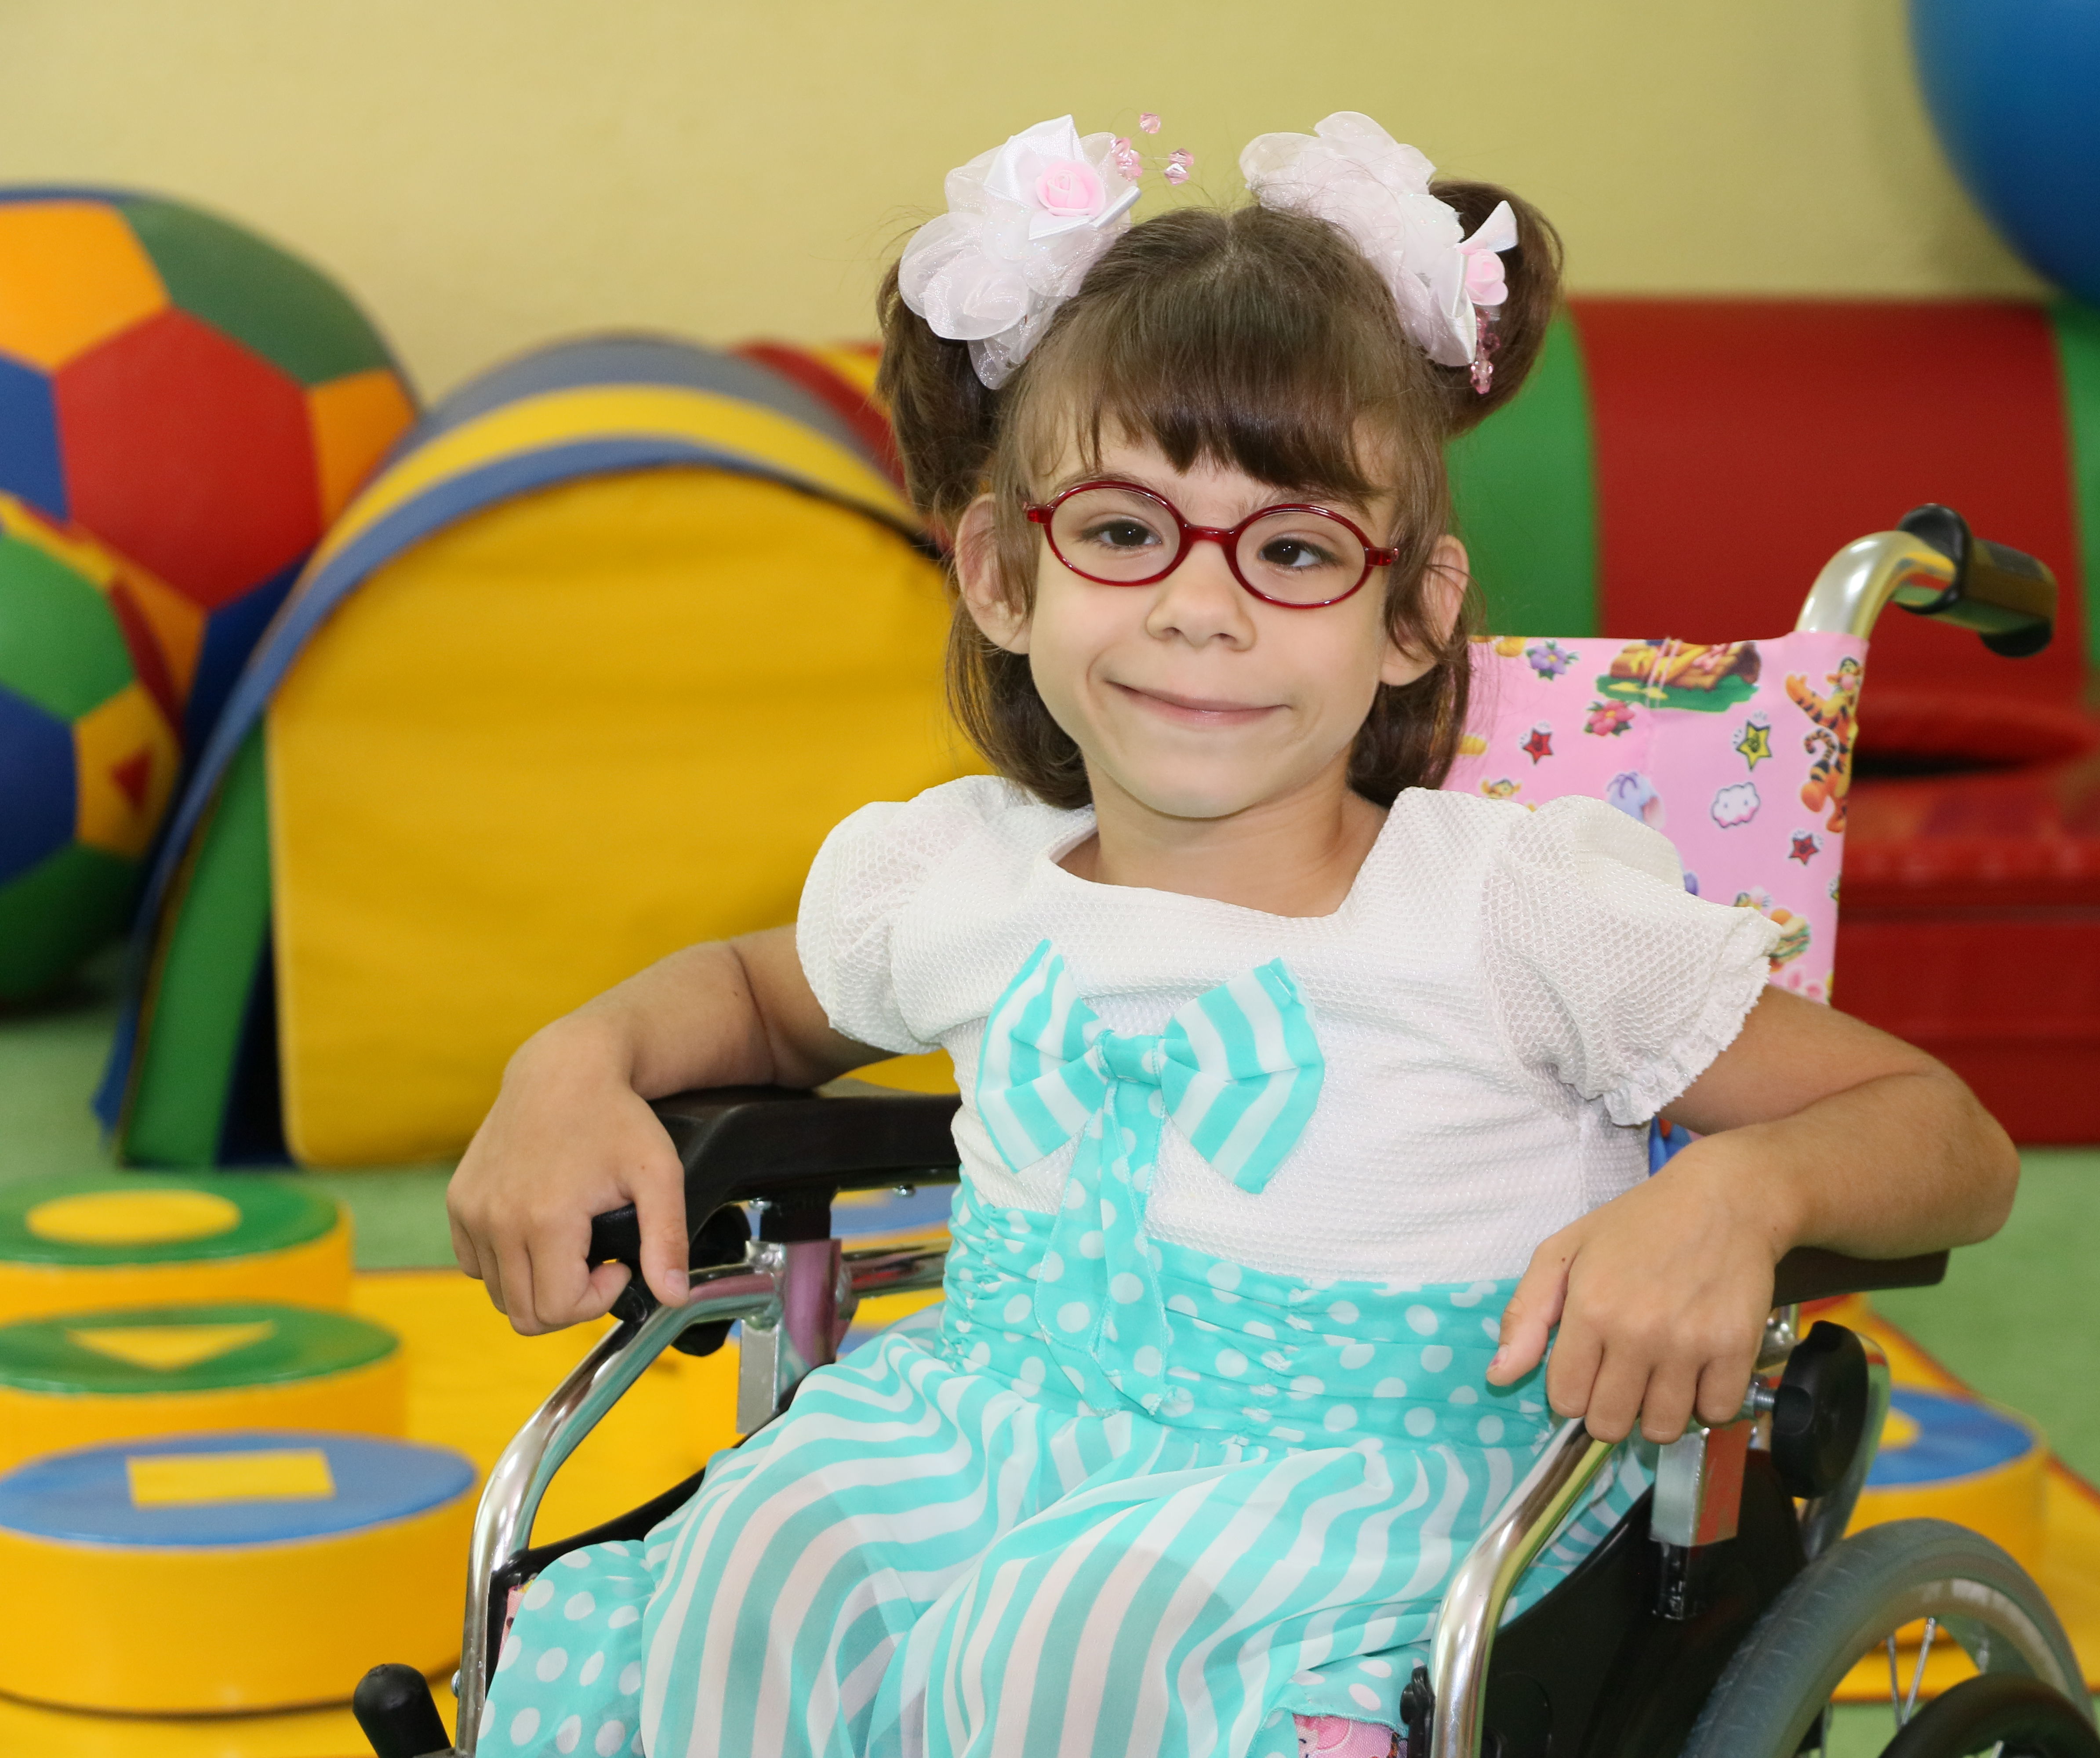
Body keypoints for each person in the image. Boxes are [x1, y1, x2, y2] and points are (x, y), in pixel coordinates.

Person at [448, 111, 2018, 1758]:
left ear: (1413, 617)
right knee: (763, 1565)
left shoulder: (1510, 906)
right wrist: (576, 1063)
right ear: (1001, 575)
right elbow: (754, 999)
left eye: (1295, 551)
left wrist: (1736, 1194)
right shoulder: (962, 876)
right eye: (1124, 532)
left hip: (1387, 1479)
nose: (1202, 607)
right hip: (994, 1425)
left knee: (1070, 1644)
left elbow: (1943, 1133)